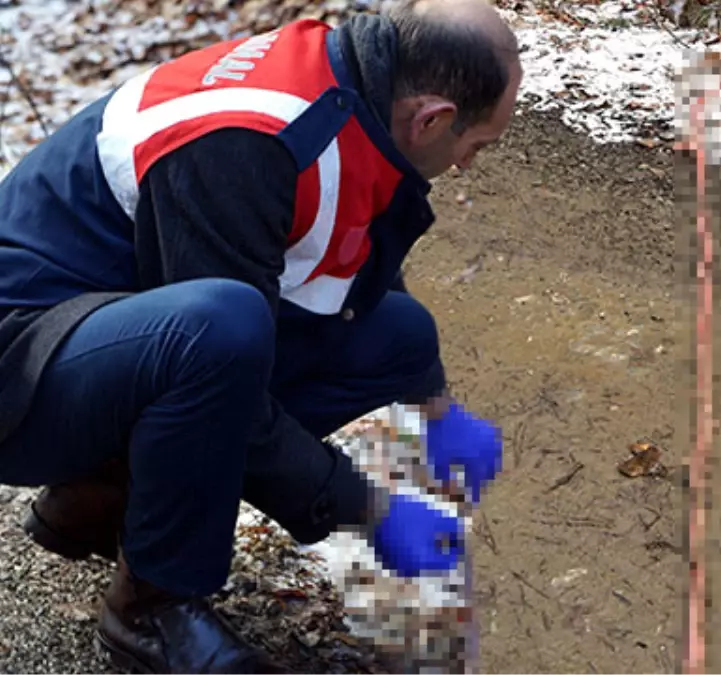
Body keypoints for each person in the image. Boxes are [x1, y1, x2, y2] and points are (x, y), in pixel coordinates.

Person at [0, 0, 520, 671]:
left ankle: (101, 498)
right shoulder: (253, 141)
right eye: (475, 147)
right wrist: (364, 507)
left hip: (93, 338)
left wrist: (433, 401)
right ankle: (152, 607)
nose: (469, 165)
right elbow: (224, 366)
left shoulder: (348, 89)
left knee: (399, 336)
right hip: (18, 368)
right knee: (224, 329)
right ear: (432, 119)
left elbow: (336, 267)